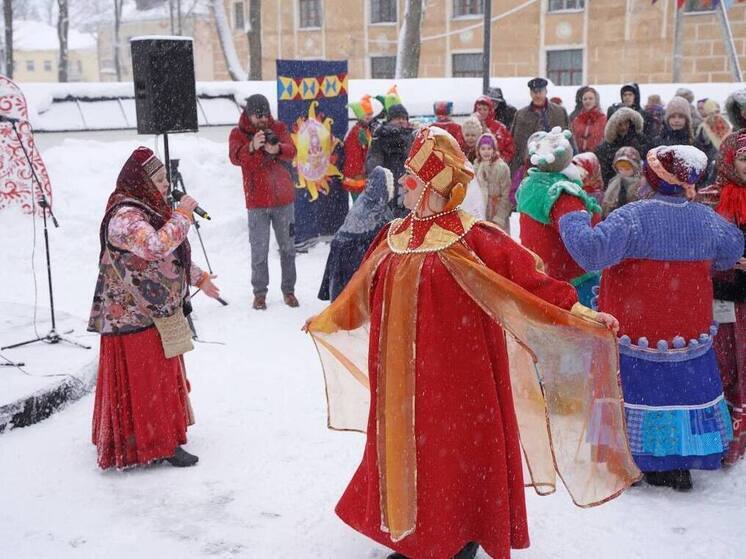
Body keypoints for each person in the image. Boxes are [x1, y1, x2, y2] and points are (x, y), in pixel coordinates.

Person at [305, 125, 637, 559]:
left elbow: (531, 284)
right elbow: (361, 295)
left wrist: (581, 314)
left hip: (461, 384)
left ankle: (459, 535)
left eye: (410, 178)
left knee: (454, 460)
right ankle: (413, 535)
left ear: (433, 185)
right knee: (407, 455)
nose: (402, 186)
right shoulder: (391, 238)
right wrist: (328, 319)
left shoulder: (475, 238)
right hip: (401, 384)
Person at [559, 144, 744, 490]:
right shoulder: (705, 220)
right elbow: (732, 250)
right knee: (681, 393)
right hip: (688, 333)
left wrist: (571, 211)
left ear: (651, 177)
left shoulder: (632, 218)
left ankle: (635, 460)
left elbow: (590, 252)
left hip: (636, 331)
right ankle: (677, 463)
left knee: (638, 395)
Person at [88, 147, 221, 470]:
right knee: (148, 381)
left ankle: (163, 437)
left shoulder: (147, 208)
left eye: (165, 178)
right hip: (133, 316)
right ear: (141, 181)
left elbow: (169, 255)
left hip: (153, 310)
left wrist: (199, 278)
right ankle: (153, 443)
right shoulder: (125, 217)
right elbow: (154, 246)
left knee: (160, 377)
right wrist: (183, 217)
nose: (165, 185)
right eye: (159, 179)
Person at [516, 127, 602, 307]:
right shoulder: (562, 192)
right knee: (581, 333)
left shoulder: (530, 185)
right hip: (573, 283)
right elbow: (583, 243)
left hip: (541, 279)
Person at [229, 93, 298, 310]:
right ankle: (260, 293)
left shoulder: (278, 127)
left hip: (284, 200)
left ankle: (289, 290)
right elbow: (236, 159)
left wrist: (276, 149)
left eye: (265, 115)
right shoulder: (238, 134)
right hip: (257, 203)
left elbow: (292, 151)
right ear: (248, 115)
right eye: (258, 117)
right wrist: (252, 147)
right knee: (259, 250)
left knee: (288, 248)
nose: (263, 120)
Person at [708, 131, 746, 465]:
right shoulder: (711, 196)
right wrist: (724, 258)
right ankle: (721, 437)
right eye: (744, 158)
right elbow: (698, 238)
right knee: (724, 363)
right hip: (720, 294)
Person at [318, 166, 394, 302]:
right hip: (352, 260)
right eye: (391, 184)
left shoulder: (365, 201)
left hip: (343, 257)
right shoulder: (377, 211)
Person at [510, 77, 571, 175]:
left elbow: (569, 140)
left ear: (546, 91)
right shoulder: (521, 115)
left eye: (540, 91)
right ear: (530, 93)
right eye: (534, 92)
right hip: (528, 165)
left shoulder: (559, 112)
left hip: (555, 164)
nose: (537, 95)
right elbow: (515, 143)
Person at [365, 103, 415, 218]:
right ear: (389, 120)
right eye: (397, 118)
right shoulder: (380, 137)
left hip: (407, 184)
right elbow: (373, 164)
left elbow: (414, 160)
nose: (401, 121)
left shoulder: (411, 136)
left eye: (404, 118)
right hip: (388, 185)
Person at [595, 107, 650, 184]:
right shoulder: (604, 148)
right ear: (613, 126)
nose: (624, 127)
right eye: (620, 124)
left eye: (626, 123)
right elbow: (605, 174)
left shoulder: (641, 140)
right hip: (616, 185)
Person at [343, 94, 381, 198]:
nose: (369, 117)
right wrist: (360, 172)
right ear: (360, 116)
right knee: (360, 205)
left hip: (361, 175)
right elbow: (355, 155)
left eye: (371, 114)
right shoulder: (358, 132)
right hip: (358, 177)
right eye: (366, 115)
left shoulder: (365, 129)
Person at [473, 132, 512, 233]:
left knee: (499, 240)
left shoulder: (501, 168)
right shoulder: (476, 168)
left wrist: (499, 217)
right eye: (483, 149)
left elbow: (506, 194)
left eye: (489, 148)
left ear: (494, 150)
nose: (486, 152)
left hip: (496, 210)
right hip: (481, 211)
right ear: (478, 150)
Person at [695, 99, 732, 187]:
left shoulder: (703, 126)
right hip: (724, 161)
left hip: (710, 162)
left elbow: (699, 145)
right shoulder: (726, 122)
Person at [473, 95, 516, 164]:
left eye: (485, 109)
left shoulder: (500, 128)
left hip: (496, 167)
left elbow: (510, 148)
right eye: (479, 109)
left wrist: (501, 161)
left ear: (490, 111)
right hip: (476, 167)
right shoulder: (469, 127)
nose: (482, 112)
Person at [601, 147, 643, 218]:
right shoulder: (614, 183)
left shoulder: (641, 185)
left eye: (627, 168)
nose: (623, 171)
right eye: (620, 168)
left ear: (635, 167)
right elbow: (606, 205)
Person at [570, 86, 607, 154]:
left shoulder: (604, 119)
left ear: (596, 100)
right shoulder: (576, 120)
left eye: (590, 98)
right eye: (585, 99)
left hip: (598, 157)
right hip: (578, 157)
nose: (588, 101)